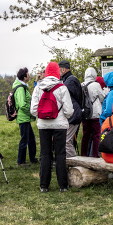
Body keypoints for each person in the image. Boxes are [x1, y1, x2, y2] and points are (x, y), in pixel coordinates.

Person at [31, 61, 74, 192]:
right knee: (60, 153)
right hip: (60, 124)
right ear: (57, 72)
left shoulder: (38, 87)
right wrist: (63, 116)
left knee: (45, 154)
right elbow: (69, 110)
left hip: (43, 125)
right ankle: (62, 185)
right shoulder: (62, 88)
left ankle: (44, 185)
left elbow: (33, 110)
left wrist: (43, 115)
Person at [59, 61, 85, 159]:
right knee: (67, 141)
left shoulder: (69, 82)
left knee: (66, 141)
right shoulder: (70, 80)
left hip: (73, 115)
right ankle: (71, 163)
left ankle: (75, 163)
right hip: (74, 114)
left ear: (63, 69)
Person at [13, 68, 38, 165]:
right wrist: (31, 111)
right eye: (28, 74)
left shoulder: (24, 86)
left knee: (31, 138)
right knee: (24, 139)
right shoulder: (20, 88)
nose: (29, 76)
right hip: (23, 117)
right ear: (24, 77)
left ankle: (32, 158)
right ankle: (21, 161)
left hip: (26, 117)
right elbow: (22, 104)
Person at [80, 67, 105, 157]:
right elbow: (102, 97)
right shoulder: (96, 85)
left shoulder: (81, 84)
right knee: (96, 135)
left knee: (85, 134)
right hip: (95, 113)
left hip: (85, 113)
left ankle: (83, 155)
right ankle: (95, 155)